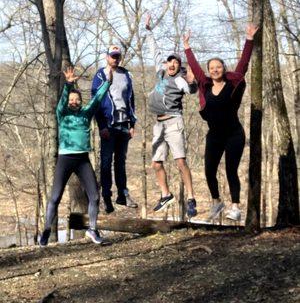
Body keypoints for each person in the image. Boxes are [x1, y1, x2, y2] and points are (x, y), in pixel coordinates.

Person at [183, 24, 259, 221]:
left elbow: (243, 63)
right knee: (209, 170)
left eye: (218, 67)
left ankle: (235, 207)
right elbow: (197, 69)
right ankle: (217, 202)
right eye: (212, 68)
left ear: (224, 68)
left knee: (231, 169)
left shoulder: (232, 83)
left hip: (234, 134)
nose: (215, 70)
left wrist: (249, 40)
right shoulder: (205, 84)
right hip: (215, 135)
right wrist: (187, 47)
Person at [39, 67, 112, 246]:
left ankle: (92, 230)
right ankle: (47, 230)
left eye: (76, 99)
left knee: (94, 196)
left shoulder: (86, 114)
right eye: (71, 100)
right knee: (55, 197)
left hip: (82, 160)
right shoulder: (62, 114)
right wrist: (69, 84)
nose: (73, 102)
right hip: (65, 159)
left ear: (80, 101)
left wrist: (108, 82)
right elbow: (63, 101)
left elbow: (97, 99)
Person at [145, 14, 198, 218]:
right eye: (169, 62)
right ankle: (166, 195)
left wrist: (192, 82)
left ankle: (191, 198)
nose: (171, 65)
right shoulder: (161, 71)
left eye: (175, 62)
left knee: (180, 161)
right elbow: (154, 50)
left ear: (179, 66)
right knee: (156, 164)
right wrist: (148, 30)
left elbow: (190, 90)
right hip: (158, 124)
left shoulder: (180, 80)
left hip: (174, 122)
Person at [91, 45, 137, 214]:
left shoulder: (126, 74)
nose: (115, 59)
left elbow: (131, 100)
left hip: (124, 125)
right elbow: (95, 101)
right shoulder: (100, 75)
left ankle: (123, 194)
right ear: (107, 57)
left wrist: (132, 124)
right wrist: (102, 125)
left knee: (121, 162)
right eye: (112, 56)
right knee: (106, 162)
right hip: (108, 126)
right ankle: (106, 197)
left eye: (117, 56)